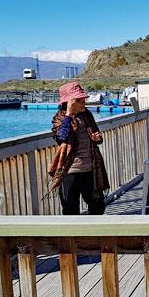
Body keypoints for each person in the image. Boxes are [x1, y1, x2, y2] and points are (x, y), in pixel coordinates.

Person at [49, 81, 110, 215]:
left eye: (84, 99)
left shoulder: (87, 115)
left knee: (98, 206)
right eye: (80, 100)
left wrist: (97, 138)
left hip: (91, 170)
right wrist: (69, 114)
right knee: (70, 210)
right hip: (69, 172)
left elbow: (98, 138)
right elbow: (61, 138)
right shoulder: (59, 118)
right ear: (70, 102)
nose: (84, 102)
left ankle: (94, 235)